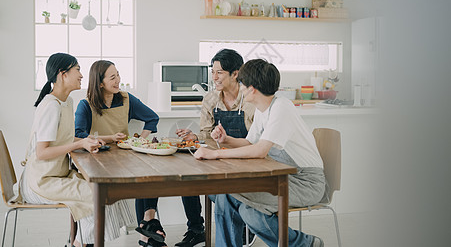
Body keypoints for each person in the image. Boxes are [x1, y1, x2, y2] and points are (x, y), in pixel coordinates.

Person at [194, 59, 326, 247]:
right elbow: (250, 142)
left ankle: (303, 243)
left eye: (242, 84)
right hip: (281, 176)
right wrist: (226, 140)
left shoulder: (282, 107)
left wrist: (215, 154)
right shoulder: (263, 109)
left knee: (232, 198)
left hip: (306, 182)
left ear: (252, 89)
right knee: (233, 200)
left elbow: (260, 150)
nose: (239, 88)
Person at [18, 53, 134, 247]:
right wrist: (79, 145)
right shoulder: (50, 106)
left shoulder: (66, 102)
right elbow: (42, 152)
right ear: (63, 74)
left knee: (103, 188)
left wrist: (106, 138)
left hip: (57, 176)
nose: (81, 75)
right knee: (96, 195)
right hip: (40, 182)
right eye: (78, 70)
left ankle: (79, 242)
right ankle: (80, 243)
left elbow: (65, 138)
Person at [74, 60, 164, 247]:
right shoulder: (86, 105)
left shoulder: (125, 99)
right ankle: (87, 238)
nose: (118, 80)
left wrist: (141, 139)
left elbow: (152, 117)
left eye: (118, 75)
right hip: (97, 160)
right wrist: (110, 138)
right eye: (112, 77)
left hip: (125, 157)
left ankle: (147, 226)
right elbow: (78, 134)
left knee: (149, 175)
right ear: (100, 83)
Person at [175, 49, 256, 247]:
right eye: (213, 72)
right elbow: (206, 134)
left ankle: (247, 224)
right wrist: (196, 136)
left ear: (235, 74)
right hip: (219, 159)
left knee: (223, 193)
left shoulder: (250, 100)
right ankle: (196, 229)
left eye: (219, 72)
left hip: (248, 161)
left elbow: (257, 140)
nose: (214, 77)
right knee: (188, 179)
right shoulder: (210, 99)